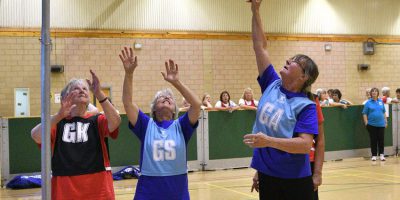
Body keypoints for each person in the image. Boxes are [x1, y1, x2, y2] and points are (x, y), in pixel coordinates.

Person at [243, 0, 319, 199]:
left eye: (295, 62)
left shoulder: (306, 106)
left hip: (294, 180)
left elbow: (304, 145)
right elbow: (260, 46)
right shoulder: (272, 83)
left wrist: (268, 141)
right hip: (268, 175)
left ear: (304, 77)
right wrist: (255, 9)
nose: (288, 61)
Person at [120, 47, 201, 200]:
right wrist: (129, 73)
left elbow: (196, 105)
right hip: (148, 191)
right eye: (161, 98)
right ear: (154, 109)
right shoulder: (145, 125)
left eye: (170, 98)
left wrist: (176, 83)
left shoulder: (181, 126)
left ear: (174, 110)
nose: (166, 98)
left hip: (177, 191)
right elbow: (127, 102)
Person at [30, 71, 121, 199]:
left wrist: (99, 94)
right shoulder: (57, 122)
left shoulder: (97, 120)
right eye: (76, 89)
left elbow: (116, 122)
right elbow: (35, 135)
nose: (82, 90)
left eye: (84, 88)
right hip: (64, 191)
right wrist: (59, 115)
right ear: (65, 97)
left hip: (98, 191)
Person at [363, 88, 387, 161]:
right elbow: (364, 113)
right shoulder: (368, 103)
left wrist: (386, 121)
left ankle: (381, 155)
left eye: (375, 91)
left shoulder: (381, 102)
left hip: (381, 124)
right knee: (373, 140)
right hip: (371, 125)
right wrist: (366, 122)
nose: (374, 92)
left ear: (378, 93)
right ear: (371, 93)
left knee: (381, 140)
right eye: (372, 91)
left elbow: (384, 112)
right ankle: (374, 155)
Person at [310, 95, 325, 200]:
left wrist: (317, 173)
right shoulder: (275, 93)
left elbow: (320, 141)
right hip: (278, 164)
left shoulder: (312, 99)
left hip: (307, 163)